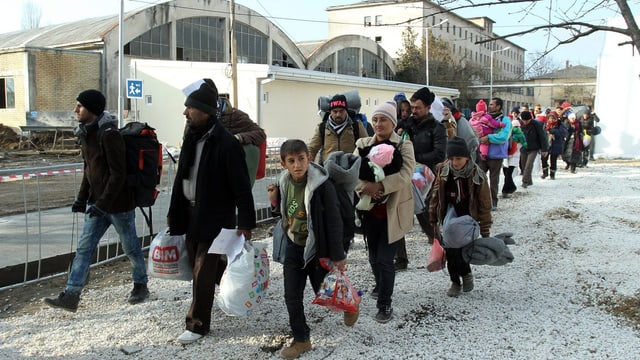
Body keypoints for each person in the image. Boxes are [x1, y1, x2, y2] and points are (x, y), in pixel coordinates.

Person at [167, 80, 256, 344]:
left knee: (201, 271)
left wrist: (246, 223)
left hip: (216, 220)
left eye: (190, 108)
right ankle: (237, 287)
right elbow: (181, 179)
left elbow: (242, 188)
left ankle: (197, 324)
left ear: (205, 110)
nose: (185, 112)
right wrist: (175, 213)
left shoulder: (226, 144)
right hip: (191, 216)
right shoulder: (191, 137)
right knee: (205, 267)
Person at [44, 89, 149, 312]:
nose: (75, 110)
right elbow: (89, 169)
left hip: (118, 205)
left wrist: (103, 204)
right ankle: (72, 295)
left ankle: (141, 285)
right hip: (97, 204)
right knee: (84, 248)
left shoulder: (109, 134)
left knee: (130, 248)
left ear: (91, 109)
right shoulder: (86, 134)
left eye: (80, 106)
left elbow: (118, 174)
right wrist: (82, 199)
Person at [267, 139, 350, 359]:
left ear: (308, 159)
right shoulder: (284, 181)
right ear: (283, 163)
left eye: (301, 159)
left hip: (317, 249)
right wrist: (275, 203)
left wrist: (338, 255)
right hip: (294, 246)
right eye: (291, 161)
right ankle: (301, 339)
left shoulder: (322, 185)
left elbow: (334, 221)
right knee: (291, 295)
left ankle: (349, 304)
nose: (297, 165)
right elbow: (285, 214)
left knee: (324, 292)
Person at [355, 100, 415, 322]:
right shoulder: (362, 144)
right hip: (369, 212)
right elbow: (352, 173)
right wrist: (366, 187)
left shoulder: (404, 146)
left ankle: (385, 304)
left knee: (385, 259)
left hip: (393, 212)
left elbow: (406, 174)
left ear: (393, 122)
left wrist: (380, 186)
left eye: (384, 120)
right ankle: (380, 285)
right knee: (373, 257)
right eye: (376, 119)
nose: (379, 124)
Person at [428, 136, 492, 297]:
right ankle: (455, 282)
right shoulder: (443, 171)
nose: (455, 162)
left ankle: (466, 274)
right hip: (448, 217)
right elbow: (435, 194)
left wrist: (485, 228)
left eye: (459, 158)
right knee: (450, 252)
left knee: (462, 252)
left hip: (467, 218)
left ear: (467, 157)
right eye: (451, 158)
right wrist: (433, 217)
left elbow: (484, 202)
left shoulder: (476, 174)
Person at [394, 87, 446, 270]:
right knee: (397, 214)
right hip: (404, 176)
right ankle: (400, 259)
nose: (414, 111)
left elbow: (439, 154)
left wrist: (414, 158)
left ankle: (439, 250)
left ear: (428, 107)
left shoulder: (437, 128)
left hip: (425, 178)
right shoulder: (405, 124)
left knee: (425, 216)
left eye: (418, 108)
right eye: (412, 107)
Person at [216, 94, 267, 187]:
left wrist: (239, 138)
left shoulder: (236, 115)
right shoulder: (196, 117)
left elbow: (260, 134)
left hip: (234, 172)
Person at [308, 94, 367, 164]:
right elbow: (312, 148)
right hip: (328, 170)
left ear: (346, 111)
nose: (338, 114)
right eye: (335, 111)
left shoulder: (356, 125)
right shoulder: (322, 127)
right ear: (330, 112)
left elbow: (367, 146)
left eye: (341, 111)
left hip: (351, 170)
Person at [479, 97, 512, 211]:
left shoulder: (505, 120)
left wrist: (488, 138)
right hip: (482, 154)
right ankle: (481, 201)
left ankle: (493, 202)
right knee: (480, 179)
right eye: (490, 104)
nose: (490, 106)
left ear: (499, 106)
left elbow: (503, 137)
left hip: (496, 155)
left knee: (494, 180)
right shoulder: (483, 117)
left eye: (492, 104)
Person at [518, 110, 548, 188]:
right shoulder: (520, 125)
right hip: (524, 147)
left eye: (527, 120)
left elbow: (542, 137)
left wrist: (544, 149)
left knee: (529, 164)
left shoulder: (537, 125)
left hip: (534, 148)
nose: (525, 122)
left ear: (530, 119)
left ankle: (524, 181)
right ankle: (529, 180)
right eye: (523, 120)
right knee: (523, 165)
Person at [501, 119, 527, 197]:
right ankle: (509, 189)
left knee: (506, 173)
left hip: (506, 155)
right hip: (514, 156)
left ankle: (506, 189)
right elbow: (525, 144)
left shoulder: (507, 132)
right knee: (508, 173)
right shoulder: (521, 134)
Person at [541, 112, 567, 180]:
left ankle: (552, 174)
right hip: (546, 144)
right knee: (543, 159)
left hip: (556, 144)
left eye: (553, 118)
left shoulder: (560, 124)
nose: (551, 120)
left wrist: (552, 131)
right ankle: (545, 172)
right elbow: (542, 133)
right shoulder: (546, 124)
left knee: (553, 160)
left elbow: (563, 133)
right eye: (550, 118)